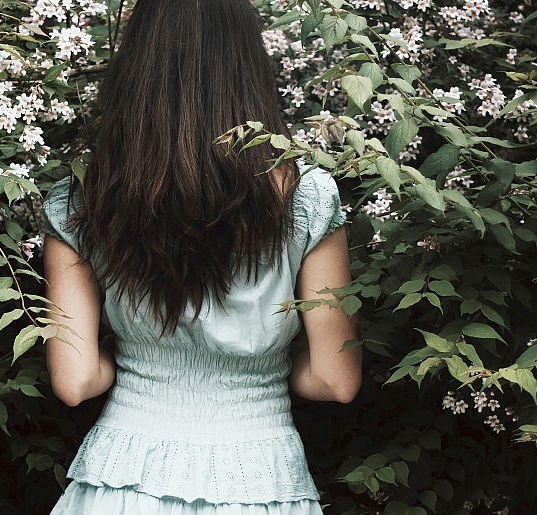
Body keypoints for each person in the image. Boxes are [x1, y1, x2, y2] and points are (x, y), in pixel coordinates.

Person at [41, 0, 362, 513]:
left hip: (123, 474)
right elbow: (334, 379)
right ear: (249, 64)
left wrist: (142, 353)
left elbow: (77, 381)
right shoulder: (309, 198)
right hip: (259, 477)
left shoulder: (82, 199)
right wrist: (260, 367)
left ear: (136, 67)